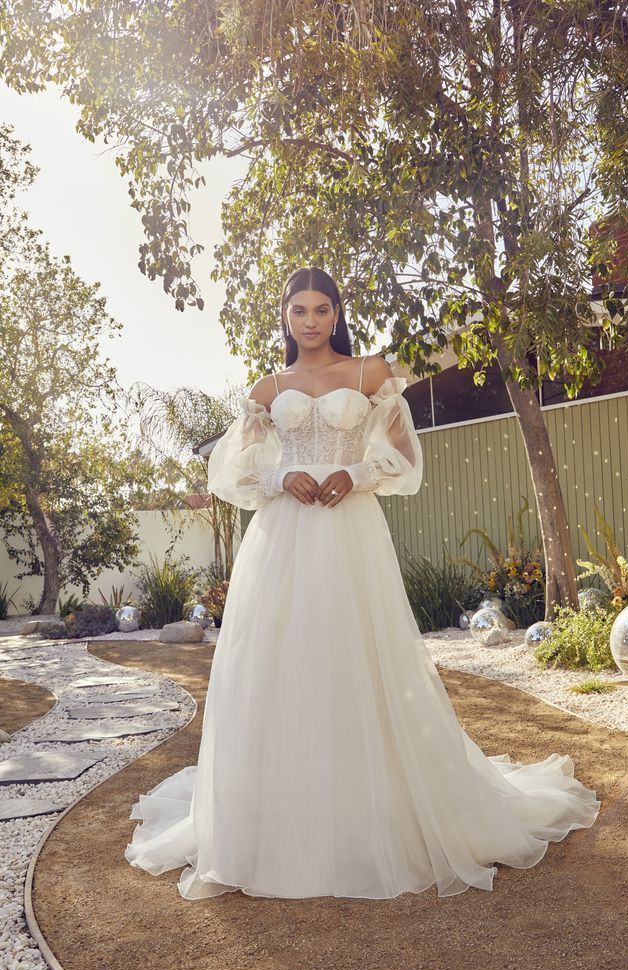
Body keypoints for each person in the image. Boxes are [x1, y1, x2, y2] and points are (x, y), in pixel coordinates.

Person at [125, 265, 600, 901]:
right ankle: (284, 810)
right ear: (286, 318)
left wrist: (354, 472)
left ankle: (374, 803)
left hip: (348, 532)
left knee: (356, 654)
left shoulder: (369, 374)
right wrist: (279, 479)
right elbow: (229, 472)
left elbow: (404, 460)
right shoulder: (268, 389)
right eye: (299, 310)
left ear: (337, 313)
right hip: (283, 538)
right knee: (280, 661)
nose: (311, 321)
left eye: (322, 309)